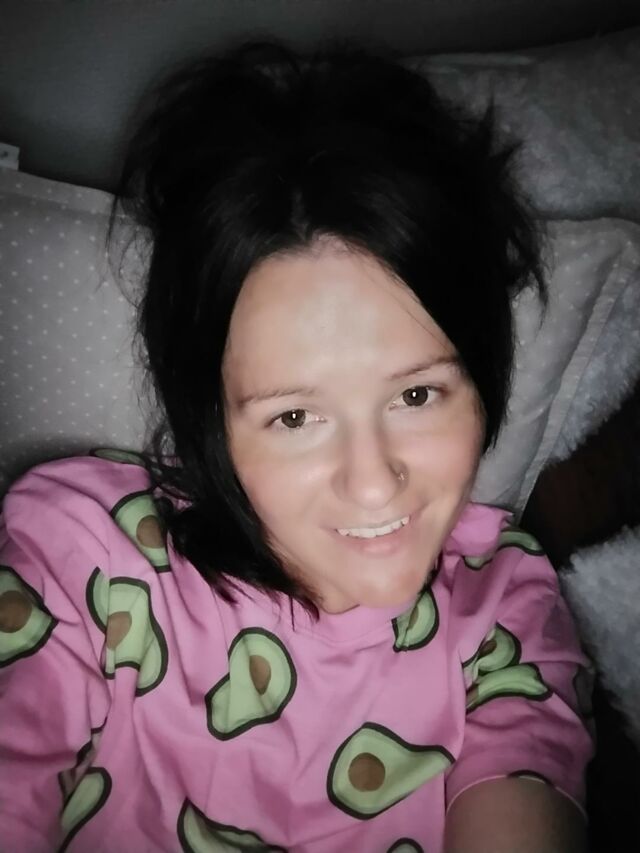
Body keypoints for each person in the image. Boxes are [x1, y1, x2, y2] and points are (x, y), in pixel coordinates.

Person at [0, 39, 593, 852]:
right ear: (211, 414)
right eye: (295, 418)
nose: (374, 485)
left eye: (417, 395)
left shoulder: (504, 605)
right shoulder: (81, 558)